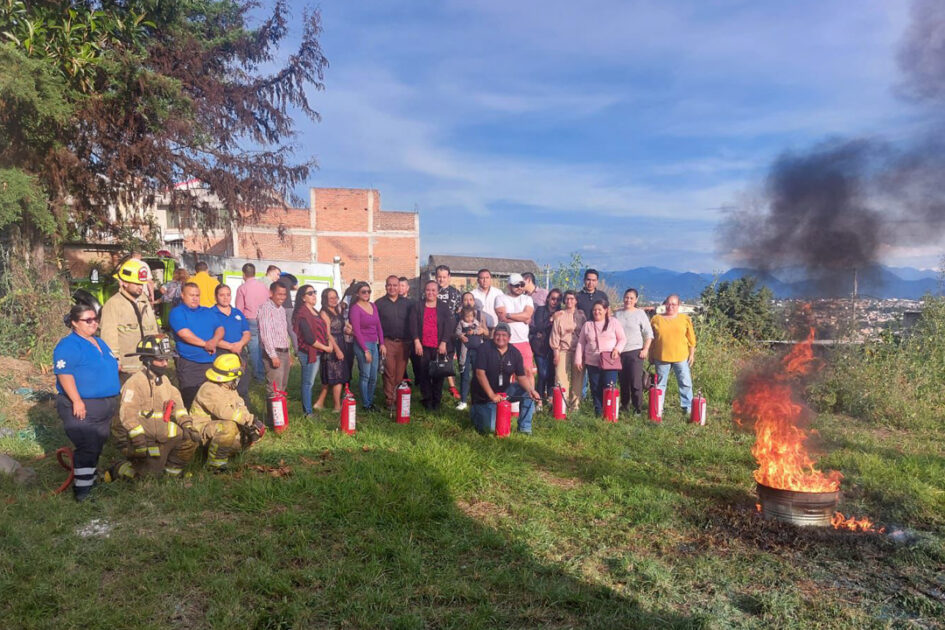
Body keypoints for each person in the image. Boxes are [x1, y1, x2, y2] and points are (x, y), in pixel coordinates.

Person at [53, 305, 121, 501]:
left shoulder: (99, 342)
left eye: (95, 319)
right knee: (88, 445)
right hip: (82, 405)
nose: (94, 323)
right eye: (88, 320)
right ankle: (82, 492)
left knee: (97, 444)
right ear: (74, 322)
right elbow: (64, 374)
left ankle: (90, 479)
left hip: (104, 404)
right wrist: (76, 400)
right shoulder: (68, 345)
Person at [109, 335, 198, 481]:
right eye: (161, 360)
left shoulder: (164, 380)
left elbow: (178, 406)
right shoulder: (135, 383)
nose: (165, 364)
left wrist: (187, 425)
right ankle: (119, 468)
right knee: (148, 477)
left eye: (166, 359)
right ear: (148, 361)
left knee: (189, 440)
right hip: (143, 437)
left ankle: (171, 475)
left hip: (163, 432)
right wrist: (138, 438)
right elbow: (127, 414)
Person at [189, 354, 265, 471]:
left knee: (246, 437)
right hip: (201, 430)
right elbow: (224, 412)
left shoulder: (229, 388)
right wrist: (246, 420)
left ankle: (222, 452)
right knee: (228, 427)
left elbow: (240, 406)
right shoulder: (209, 389)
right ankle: (215, 465)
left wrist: (251, 423)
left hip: (217, 428)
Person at [469, 323, 541, 435]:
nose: (500, 338)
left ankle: (525, 428)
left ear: (509, 337)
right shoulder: (484, 348)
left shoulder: (515, 353)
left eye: (504, 335)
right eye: (498, 335)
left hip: (504, 393)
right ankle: (476, 412)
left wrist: (531, 390)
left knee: (528, 393)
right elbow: (479, 373)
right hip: (484, 396)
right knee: (491, 430)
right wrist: (492, 395)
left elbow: (521, 376)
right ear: (494, 335)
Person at [99, 258, 159, 382]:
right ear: (124, 283)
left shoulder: (145, 301)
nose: (140, 288)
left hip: (149, 365)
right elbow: (108, 335)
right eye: (136, 284)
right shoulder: (114, 304)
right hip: (128, 368)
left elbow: (153, 329)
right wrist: (115, 360)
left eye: (141, 284)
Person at [168, 283, 224, 408]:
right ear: (182, 295)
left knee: (212, 398)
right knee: (191, 399)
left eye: (197, 295)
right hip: (190, 363)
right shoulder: (177, 312)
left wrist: (214, 342)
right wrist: (206, 344)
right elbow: (185, 334)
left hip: (211, 362)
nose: (195, 298)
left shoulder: (207, 311)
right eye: (191, 295)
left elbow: (220, 328)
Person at [575, 301, 626, 417]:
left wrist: (617, 350)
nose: (596, 312)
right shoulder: (588, 325)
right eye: (594, 310)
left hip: (610, 361)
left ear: (606, 310)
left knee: (609, 386)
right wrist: (578, 359)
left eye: (599, 309)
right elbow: (581, 343)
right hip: (592, 361)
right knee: (595, 387)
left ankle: (610, 412)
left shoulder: (613, 322)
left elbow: (622, 339)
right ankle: (598, 411)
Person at [650, 294, 697, 415]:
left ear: (678, 305)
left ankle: (688, 408)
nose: (671, 306)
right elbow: (652, 339)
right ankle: (657, 408)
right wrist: (650, 355)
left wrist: (691, 354)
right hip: (661, 357)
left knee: (685, 383)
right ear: (665, 304)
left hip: (681, 357)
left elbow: (691, 339)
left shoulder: (685, 319)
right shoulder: (656, 319)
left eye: (674, 304)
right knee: (660, 384)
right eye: (668, 303)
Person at [409, 280, 452, 411]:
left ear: (438, 292)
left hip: (439, 346)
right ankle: (427, 400)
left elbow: (448, 326)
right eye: (428, 290)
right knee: (424, 373)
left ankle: (436, 401)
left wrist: (444, 342)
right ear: (424, 291)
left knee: (439, 374)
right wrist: (416, 341)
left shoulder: (444, 307)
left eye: (433, 290)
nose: (431, 293)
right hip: (423, 346)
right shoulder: (418, 306)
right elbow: (413, 325)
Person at [292, 284, 332, 416]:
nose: (314, 295)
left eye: (314, 292)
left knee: (311, 382)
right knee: (308, 383)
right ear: (303, 298)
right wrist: (326, 347)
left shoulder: (314, 311)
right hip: (309, 352)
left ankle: (307, 410)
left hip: (317, 351)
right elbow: (309, 338)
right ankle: (307, 412)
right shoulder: (302, 313)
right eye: (310, 293)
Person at [614, 288, 654, 414]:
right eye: (626, 297)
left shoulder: (640, 314)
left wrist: (646, 349)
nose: (628, 300)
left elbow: (649, 333)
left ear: (636, 300)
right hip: (620, 352)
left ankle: (638, 408)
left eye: (631, 298)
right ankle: (624, 406)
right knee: (623, 381)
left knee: (636, 381)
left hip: (635, 351)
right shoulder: (617, 314)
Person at [376, 275, 412, 408]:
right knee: (389, 372)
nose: (392, 288)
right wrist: (381, 343)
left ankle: (398, 398)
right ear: (386, 287)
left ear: (399, 287)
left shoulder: (408, 303)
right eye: (389, 285)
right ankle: (390, 400)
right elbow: (375, 324)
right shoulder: (379, 304)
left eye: (395, 285)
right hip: (387, 342)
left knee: (399, 373)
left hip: (404, 343)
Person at [349, 281, 386, 411]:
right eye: (363, 292)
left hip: (374, 344)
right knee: (365, 375)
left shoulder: (373, 306)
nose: (366, 294)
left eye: (368, 291)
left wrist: (382, 343)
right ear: (357, 293)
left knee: (374, 376)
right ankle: (366, 404)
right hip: (362, 344)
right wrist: (365, 350)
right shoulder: (355, 308)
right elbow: (357, 331)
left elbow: (379, 326)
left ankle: (370, 401)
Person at [211, 284, 251, 401]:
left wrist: (239, 344)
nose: (225, 298)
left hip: (239, 353)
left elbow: (247, 333)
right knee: (223, 387)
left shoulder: (237, 313)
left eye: (228, 295)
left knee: (242, 386)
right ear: (216, 296)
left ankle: (245, 415)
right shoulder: (210, 313)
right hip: (221, 353)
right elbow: (209, 337)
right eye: (222, 295)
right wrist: (229, 346)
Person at [550, 290, 586, 411]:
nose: (569, 301)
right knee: (560, 377)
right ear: (564, 300)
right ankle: (562, 405)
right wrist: (556, 352)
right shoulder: (559, 315)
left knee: (578, 378)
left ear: (576, 301)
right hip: (563, 350)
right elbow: (555, 334)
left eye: (572, 298)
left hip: (578, 351)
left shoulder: (581, 315)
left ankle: (575, 405)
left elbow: (585, 334)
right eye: (567, 298)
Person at [314, 287, 350, 411]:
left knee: (330, 377)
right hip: (332, 345)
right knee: (337, 378)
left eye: (336, 297)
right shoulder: (324, 313)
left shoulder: (336, 310)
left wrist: (348, 330)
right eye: (331, 298)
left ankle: (319, 403)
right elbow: (327, 334)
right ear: (325, 299)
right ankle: (337, 406)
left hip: (341, 342)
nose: (334, 300)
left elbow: (341, 326)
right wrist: (337, 350)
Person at [494, 273, 535, 376]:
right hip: (506, 342)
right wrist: (523, 318)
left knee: (528, 371)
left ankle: (530, 392)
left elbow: (527, 315)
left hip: (523, 341)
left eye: (522, 284)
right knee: (506, 372)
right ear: (509, 286)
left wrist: (509, 315)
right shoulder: (500, 298)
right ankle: (507, 392)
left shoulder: (527, 299)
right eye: (516, 285)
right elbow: (502, 318)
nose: (520, 287)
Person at [234, 262, 269, 381]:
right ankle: (266, 372)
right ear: (254, 273)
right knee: (264, 347)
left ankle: (259, 375)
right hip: (264, 319)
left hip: (250, 319)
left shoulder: (242, 288)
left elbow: (239, 309)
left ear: (244, 274)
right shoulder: (263, 286)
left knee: (254, 349)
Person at [454, 294, 489, 411]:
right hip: (464, 350)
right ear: (461, 301)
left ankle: (477, 399)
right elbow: (454, 333)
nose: (468, 301)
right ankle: (463, 400)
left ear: (474, 301)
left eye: (470, 299)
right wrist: (460, 336)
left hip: (477, 350)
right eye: (465, 299)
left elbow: (487, 333)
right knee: (464, 375)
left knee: (478, 374)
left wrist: (481, 331)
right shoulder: (458, 317)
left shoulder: (479, 315)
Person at [434, 264, 463, 399]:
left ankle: (452, 386)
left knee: (449, 358)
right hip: (434, 331)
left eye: (444, 277)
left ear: (449, 277)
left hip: (451, 332)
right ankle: (435, 384)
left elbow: (459, 313)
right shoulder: (431, 291)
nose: (441, 279)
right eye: (439, 277)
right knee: (437, 358)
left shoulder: (456, 293)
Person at [257, 281, 292, 393]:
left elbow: (283, 333)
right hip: (274, 352)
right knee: (274, 388)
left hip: (284, 352)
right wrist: (273, 356)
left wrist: (288, 354)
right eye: (279, 294)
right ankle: (273, 411)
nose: (282, 297)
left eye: (284, 294)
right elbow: (266, 334)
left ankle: (281, 411)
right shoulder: (266, 309)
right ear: (271, 293)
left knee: (282, 387)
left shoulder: (281, 310)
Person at [530, 288, 561, 403]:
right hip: (540, 346)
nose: (555, 302)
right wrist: (551, 319)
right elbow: (538, 326)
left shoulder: (561, 311)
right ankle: (539, 399)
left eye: (558, 299)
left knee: (552, 374)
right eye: (553, 298)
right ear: (548, 299)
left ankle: (550, 398)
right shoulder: (540, 310)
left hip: (554, 347)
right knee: (542, 374)